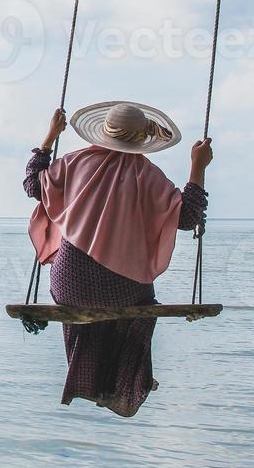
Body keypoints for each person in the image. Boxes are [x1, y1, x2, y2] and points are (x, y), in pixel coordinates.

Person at [23, 101, 213, 418]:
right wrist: (198, 166)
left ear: (103, 133)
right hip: (120, 291)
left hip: (69, 284)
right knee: (141, 305)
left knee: (91, 302)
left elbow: (33, 184)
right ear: (143, 141)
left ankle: (90, 380)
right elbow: (189, 215)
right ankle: (125, 382)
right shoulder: (151, 177)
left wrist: (49, 138)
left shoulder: (74, 163)